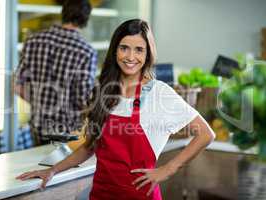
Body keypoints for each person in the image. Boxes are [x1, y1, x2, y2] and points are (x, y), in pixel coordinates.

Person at [16, 19, 215, 200]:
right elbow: (90, 146)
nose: (130, 56)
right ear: (115, 50)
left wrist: (168, 169)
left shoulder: (158, 92)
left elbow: (205, 134)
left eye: (139, 50)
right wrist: (53, 170)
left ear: (147, 54)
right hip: (102, 194)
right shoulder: (104, 89)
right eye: (124, 48)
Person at [14, 0, 97, 145]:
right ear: (86, 19)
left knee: (39, 166)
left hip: (38, 127)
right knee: (66, 168)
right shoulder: (86, 51)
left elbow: (16, 85)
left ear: (63, 13)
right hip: (68, 132)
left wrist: (37, 102)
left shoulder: (33, 41)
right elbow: (82, 99)